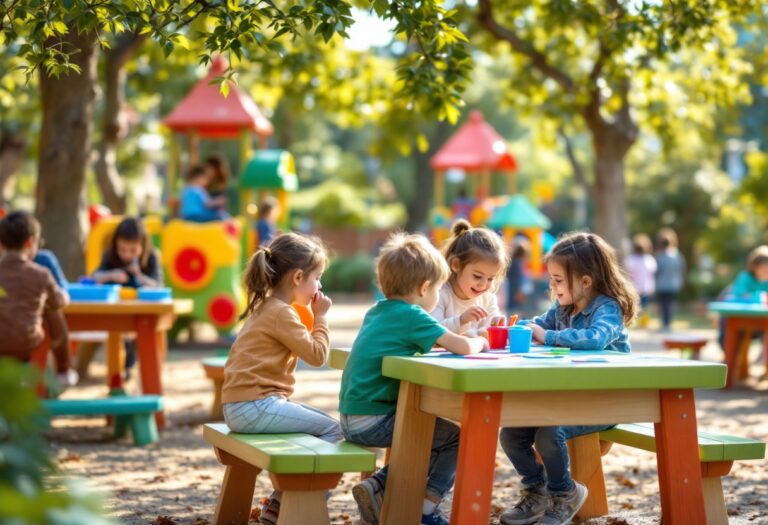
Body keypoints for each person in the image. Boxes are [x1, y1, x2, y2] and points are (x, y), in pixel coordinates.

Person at [339, 232, 488, 525]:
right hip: (375, 420)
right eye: (438, 289)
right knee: (456, 438)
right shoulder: (412, 315)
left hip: (350, 417)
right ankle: (425, 508)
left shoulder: (377, 312)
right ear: (423, 287)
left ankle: (378, 484)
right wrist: (482, 340)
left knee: (424, 430)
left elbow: (417, 342)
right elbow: (462, 347)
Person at [499, 232, 639, 525]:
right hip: (571, 399)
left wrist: (548, 336)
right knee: (511, 433)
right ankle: (537, 491)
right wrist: (514, 327)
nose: (552, 286)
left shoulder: (608, 308)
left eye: (558, 280)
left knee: (550, 433)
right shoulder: (563, 307)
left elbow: (596, 338)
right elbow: (538, 324)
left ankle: (565, 493)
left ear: (585, 281)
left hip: (607, 400)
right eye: (551, 279)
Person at [221, 232, 339, 525]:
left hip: (241, 407)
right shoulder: (282, 313)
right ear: (298, 277)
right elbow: (317, 356)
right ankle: (290, 503)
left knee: (322, 427)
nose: (320, 286)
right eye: (317, 278)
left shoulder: (266, 306)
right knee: (335, 431)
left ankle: (279, 502)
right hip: (255, 407)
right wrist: (321, 318)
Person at [0, 211, 77, 388]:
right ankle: (64, 370)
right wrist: (65, 296)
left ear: (1, 244)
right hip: (25, 343)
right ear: (30, 242)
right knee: (53, 311)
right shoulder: (40, 275)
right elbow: (58, 301)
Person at [93, 217, 163, 378]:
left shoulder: (151, 257)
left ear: (142, 246)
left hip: (142, 312)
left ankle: (129, 368)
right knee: (119, 334)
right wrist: (111, 275)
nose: (127, 255)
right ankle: (120, 369)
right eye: (122, 249)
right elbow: (95, 276)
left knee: (137, 332)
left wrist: (139, 275)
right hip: (115, 311)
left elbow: (158, 285)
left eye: (133, 250)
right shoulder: (110, 255)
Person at [431, 219, 509, 336]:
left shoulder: (487, 299)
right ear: (456, 265)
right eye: (477, 276)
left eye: (490, 279)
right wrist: (461, 320)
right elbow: (432, 331)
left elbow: (488, 332)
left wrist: (497, 323)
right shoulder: (439, 294)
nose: (483, 285)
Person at [717, 245, 768, 350]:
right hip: (737, 320)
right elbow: (740, 296)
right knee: (729, 338)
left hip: (759, 322)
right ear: (754, 267)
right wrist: (758, 298)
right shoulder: (745, 278)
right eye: (764, 269)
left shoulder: (766, 282)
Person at [655, 228, 686, 332]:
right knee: (669, 304)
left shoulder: (660, 256)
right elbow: (681, 269)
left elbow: (657, 270)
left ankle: (665, 323)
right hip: (673, 284)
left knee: (664, 304)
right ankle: (667, 323)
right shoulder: (677, 255)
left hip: (662, 284)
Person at [626, 233, 657, 328]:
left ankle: (639, 322)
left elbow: (629, 273)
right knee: (644, 307)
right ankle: (643, 323)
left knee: (638, 306)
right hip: (645, 288)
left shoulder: (631, 259)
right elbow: (652, 274)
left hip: (636, 288)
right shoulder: (649, 260)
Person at [506, 236, 532, 313]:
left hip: (511, 289)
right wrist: (518, 291)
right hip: (514, 291)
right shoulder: (517, 263)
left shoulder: (513, 262)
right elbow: (517, 278)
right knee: (513, 309)